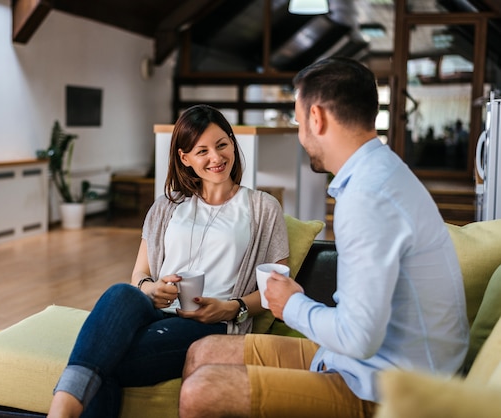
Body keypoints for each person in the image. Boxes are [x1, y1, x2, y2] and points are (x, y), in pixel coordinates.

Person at [179, 57, 470, 418]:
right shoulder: (384, 171)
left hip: (398, 387)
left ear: (316, 118)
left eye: (299, 122)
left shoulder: (367, 198)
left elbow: (358, 338)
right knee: (204, 351)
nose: (301, 133)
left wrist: (292, 305)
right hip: (371, 362)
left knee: (200, 393)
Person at [47, 104, 289, 418]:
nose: (215, 158)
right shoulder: (166, 206)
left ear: (233, 143)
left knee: (104, 360)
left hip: (211, 325)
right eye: (201, 151)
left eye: (222, 145)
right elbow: (140, 273)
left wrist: (232, 307)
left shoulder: (262, 207)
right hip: (154, 312)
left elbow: (277, 289)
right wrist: (150, 288)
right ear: (184, 158)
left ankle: (59, 411)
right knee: (122, 293)